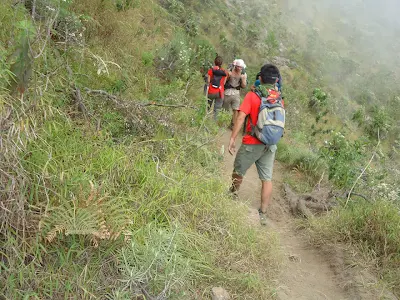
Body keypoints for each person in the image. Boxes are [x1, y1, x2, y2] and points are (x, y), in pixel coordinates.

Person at [228, 64, 282, 226]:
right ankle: (263, 213)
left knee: (238, 171)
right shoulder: (278, 98)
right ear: (276, 81)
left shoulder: (253, 96)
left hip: (252, 142)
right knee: (267, 179)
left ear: (260, 78)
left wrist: (232, 138)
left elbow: (241, 117)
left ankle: (232, 196)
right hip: (270, 145)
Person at [223, 59, 247, 129]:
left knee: (236, 109)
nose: (239, 68)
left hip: (236, 92)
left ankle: (233, 124)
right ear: (235, 66)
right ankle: (223, 122)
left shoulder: (243, 74)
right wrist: (228, 76)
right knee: (225, 108)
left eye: (241, 67)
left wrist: (243, 79)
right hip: (227, 91)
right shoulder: (229, 71)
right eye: (238, 67)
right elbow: (224, 82)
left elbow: (244, 86)